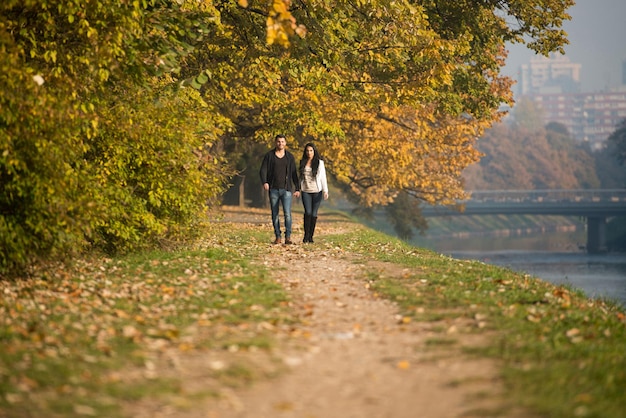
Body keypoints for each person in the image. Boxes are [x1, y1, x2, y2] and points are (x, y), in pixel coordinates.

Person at [259, 134, 301, 244]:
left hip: (286, 190)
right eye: (278, 141)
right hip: (273, 189)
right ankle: (278, 236)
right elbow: (263, 170)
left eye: (282, 141)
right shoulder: (269, 156)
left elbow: (293, 174)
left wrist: (297, 188)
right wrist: (265, 182)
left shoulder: (290, 157)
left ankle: (288, 237)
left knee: (287, 213)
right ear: (275, 142)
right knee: (275, 213)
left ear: (285, 143)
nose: (280, 143)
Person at [299, 142, 328, 243]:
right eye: (307, 150)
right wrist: (298, 188)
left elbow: (323, 177)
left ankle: (311, 236)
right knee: (308, 212)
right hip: (306, 191)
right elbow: (300, 177)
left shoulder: (320, 163)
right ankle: (306, 235)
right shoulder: (302, 162)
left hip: (317, 191)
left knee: (314, 213)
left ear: (314, 151)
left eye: (311, 150)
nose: (309, 152)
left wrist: (325, 191)